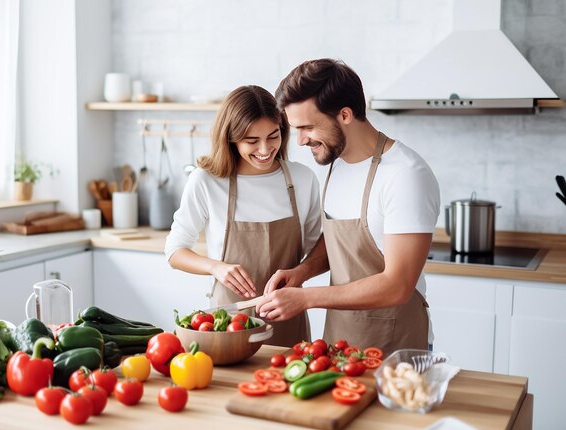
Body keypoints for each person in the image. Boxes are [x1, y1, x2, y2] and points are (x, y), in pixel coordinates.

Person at [256, 59, 440, 354]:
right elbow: (338, 241)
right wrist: (301, 272)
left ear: (344, 114)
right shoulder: (336, 164)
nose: (301, 140)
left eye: (307, 127)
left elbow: (398, 285)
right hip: (340, 344)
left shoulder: (405, 175)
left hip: (396, 349)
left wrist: (306, 298)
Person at [165, 85, 321, 347]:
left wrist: (301, 273)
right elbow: (174, 251)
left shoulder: (302, 178)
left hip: (288, 321)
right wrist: (216, 267)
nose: (264, 149)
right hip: (229, 322)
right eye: (251, 141)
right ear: (231, 138)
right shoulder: (207, 181)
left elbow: (321, 249)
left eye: (274, 136)